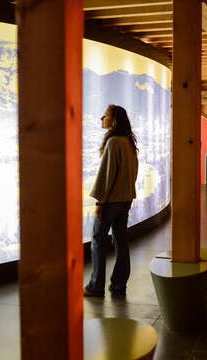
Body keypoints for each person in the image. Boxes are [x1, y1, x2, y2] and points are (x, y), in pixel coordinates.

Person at [84, 105, 139, 297]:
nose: (101, 118)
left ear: (114, 121)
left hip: (111, 201)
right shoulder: (129, 142)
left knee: (98, 239)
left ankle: (96, 286)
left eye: (105, 116)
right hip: (125, 199)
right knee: (120, 240)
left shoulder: (113, 142)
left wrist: (100, 202)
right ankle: (118, 284)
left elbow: (106, 176)